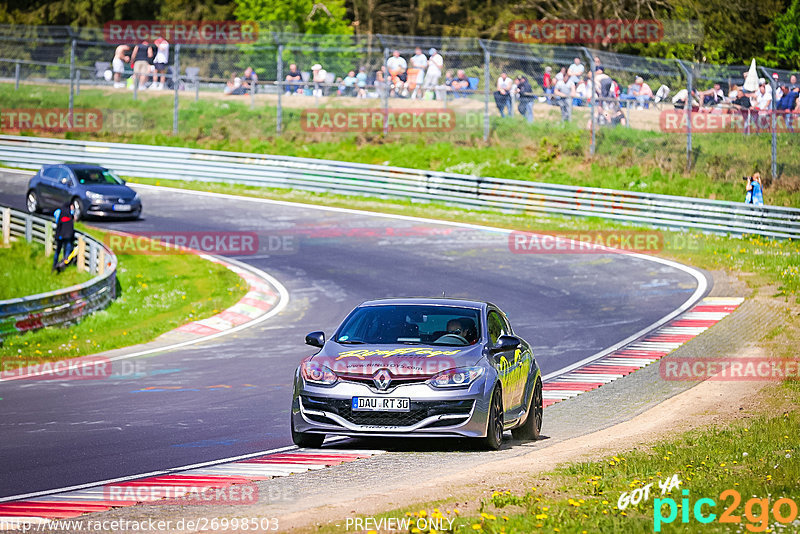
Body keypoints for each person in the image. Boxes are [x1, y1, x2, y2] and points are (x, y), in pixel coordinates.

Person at [52, 202, 75, 272]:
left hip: (59, 236)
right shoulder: (69, 214)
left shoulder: (60, 212)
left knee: (57, 251)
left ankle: (54, 266)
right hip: (67, 236)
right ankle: (63, 265)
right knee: (67, 252)